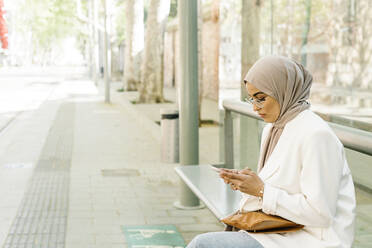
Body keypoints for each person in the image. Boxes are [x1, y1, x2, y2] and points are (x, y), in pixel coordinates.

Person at [186, 55, 356, 248]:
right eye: (251, 99)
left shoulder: (317, 135)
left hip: (312, 239)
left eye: (261, 99)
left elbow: (320, 214)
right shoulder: (274, 128)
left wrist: (261, 190)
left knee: (203, 244)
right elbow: (280, 186)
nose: (254, 107)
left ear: (284, 91)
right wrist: (246, 183)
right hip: (279, 230)